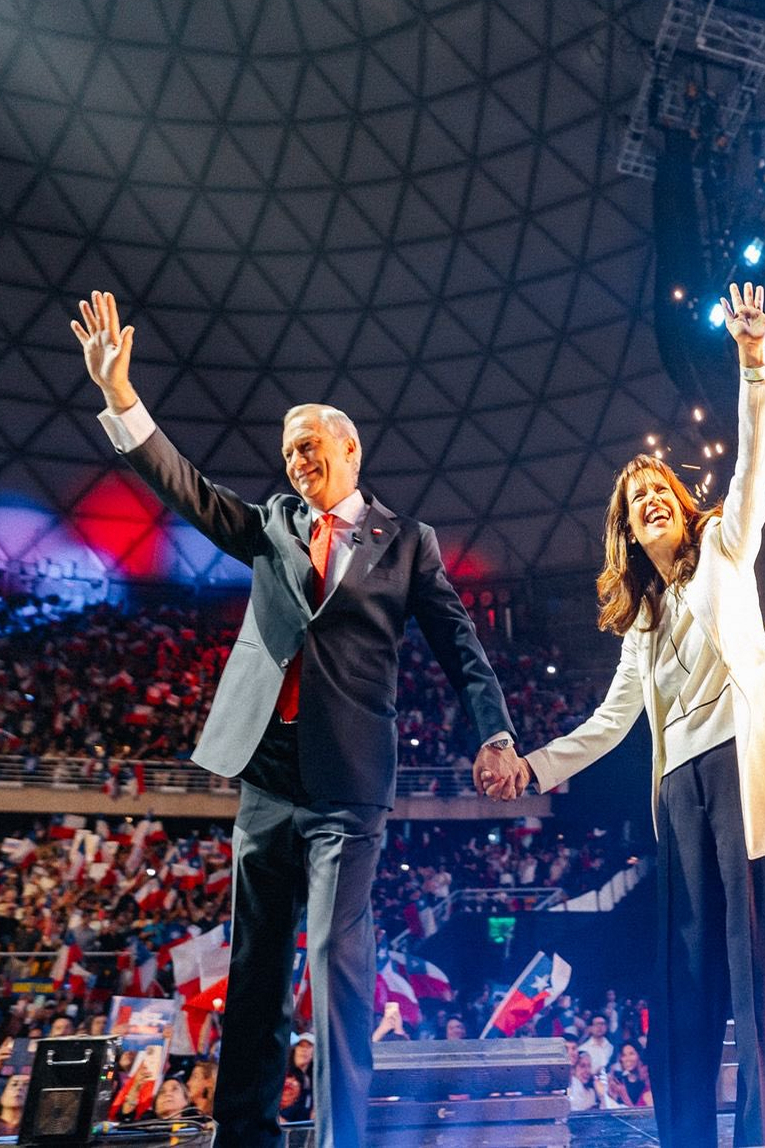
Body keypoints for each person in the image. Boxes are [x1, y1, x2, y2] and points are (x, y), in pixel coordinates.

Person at [73, 291, 516, 1148]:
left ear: (350, 448)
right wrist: (121, 398)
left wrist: (494, 732)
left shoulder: (409, 542)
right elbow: (188, 489)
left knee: (334, 961)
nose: (295, 462)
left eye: (308, 446)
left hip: (346, 786)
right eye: (286, 452)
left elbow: (460, 645)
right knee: (255, 964)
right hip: (266, 776)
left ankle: (341, 1138)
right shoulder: (273, 523)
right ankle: (245, 1134)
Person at [478, 282, 765, 1147]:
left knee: (762, 971)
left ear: (680, 500)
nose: (651, 500)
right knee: (685, 974)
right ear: (629, 532)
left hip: (748, 768)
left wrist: (752, 365)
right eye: (637, 500)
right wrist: (533, 765)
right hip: (680, 791)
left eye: (659, 488)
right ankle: (687, 1135)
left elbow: (753, 470)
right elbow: (611, 720)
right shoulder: (641, 619)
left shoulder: (724, 547)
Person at [606, 1042, 652, 1108]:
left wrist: (624, 1095)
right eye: (624, 1055)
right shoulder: (619, 1082)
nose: (627, 1059)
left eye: (631, 1054)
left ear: (639, 1056)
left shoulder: (647, 1082)